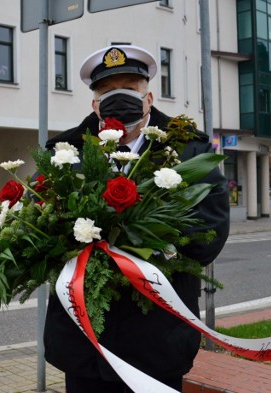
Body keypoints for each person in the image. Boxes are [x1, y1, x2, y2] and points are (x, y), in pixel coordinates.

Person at [43, 45, 230, 392]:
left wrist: (140, 244)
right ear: (95, 104)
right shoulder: (64, 154)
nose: (119, 96)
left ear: (148, 97)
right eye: (107, 90)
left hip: (157, 344)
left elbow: (208, 233)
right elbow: (43, 235)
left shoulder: (190, 151)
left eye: (130, 86)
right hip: (84, 345)